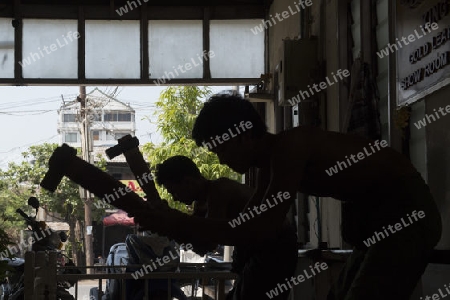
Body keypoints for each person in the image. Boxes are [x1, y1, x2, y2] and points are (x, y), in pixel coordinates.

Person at [133, 95, 442, 300]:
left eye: (222, 149)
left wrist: (177, 222)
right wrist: (178, 223)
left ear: (243, 135)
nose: (222, 160)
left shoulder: (289, 148)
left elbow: (257, 230)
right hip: (378, 224)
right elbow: (247, 228)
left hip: (406, 216)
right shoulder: (267, 167)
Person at [155, 155, 298, 300]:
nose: (174, 198)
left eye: (174, 191)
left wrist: (172, 222)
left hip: (276, 246)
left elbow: (209, 240)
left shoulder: (219, 190)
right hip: (260, 249)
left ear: (188, 182)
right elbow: (202, 247)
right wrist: (171, 226)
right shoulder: (201, 204)